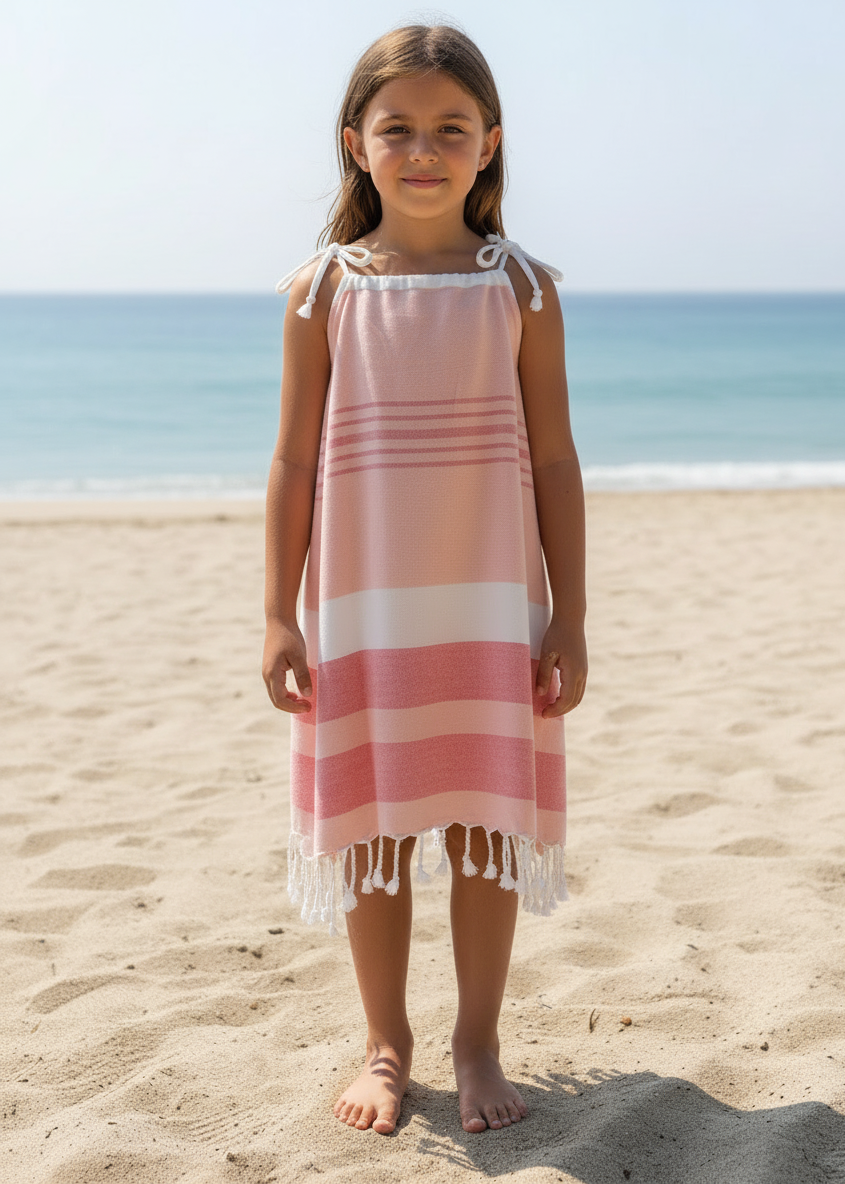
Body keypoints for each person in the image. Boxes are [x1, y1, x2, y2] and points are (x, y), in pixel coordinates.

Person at [262, 23, 588, 1137]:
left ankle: (477, 1034)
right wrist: (276, 612)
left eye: (451, 127)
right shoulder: (324, 290)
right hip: (364, 606)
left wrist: (571, 615)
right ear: (355, 142)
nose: (423, 148)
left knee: (488, 826)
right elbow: (295, 460)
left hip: (490, 602)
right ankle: (388, 1040)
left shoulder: (522, 287)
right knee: (378, 828)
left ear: (490, 143)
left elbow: (552, 456)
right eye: (396, 127)